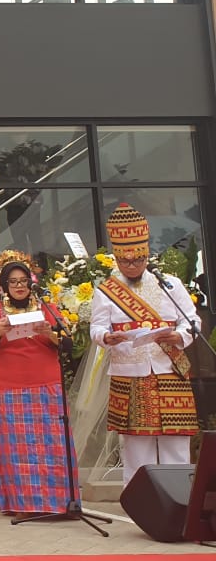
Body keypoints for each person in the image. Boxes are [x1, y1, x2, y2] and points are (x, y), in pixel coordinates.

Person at [88, 203, 199, 486]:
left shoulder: (170, 284)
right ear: (116, 259)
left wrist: (179, 336)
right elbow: (96, 327)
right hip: (130, 374)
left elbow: (192, 321)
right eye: (125, 262)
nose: (131, 266)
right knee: (137, 447)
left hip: (170, 370)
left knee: (176, 442)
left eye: (137, 261)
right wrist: (106, 338)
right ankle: (140, 502)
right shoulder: (107, 291)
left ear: (146, 255)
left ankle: (180, 500)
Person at [0, 253, 77, 518]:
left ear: (31, 283)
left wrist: (48, 333)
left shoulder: (47, 308)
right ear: (4, 286)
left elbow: (68, 344)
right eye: (13, 282)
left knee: (51, 446)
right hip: (8, 388)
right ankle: (22, 504)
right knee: (17, 448)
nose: (19, 286)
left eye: (23, 281)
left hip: (47, 386)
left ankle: (59, 503)